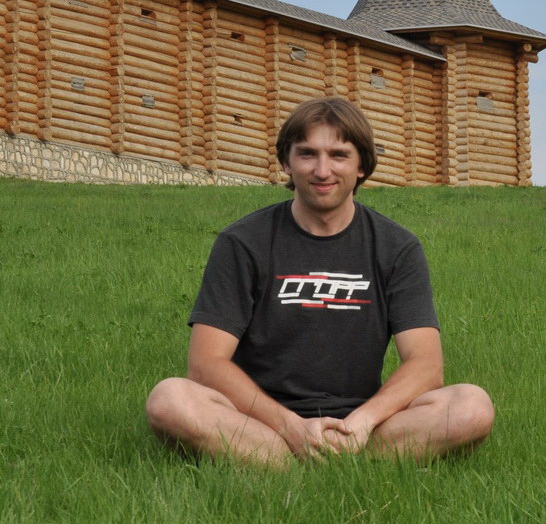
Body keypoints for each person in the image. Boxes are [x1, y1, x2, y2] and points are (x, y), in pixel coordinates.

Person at [146, 97, 494, 467]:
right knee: (170, 400)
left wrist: (363, 422)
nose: (322, 170)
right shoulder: (242, 242)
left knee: (471, 406)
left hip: (361, 424)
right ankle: (306, 461)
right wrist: (290, 426)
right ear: (287, 161)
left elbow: (426, 364)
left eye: (339, 155)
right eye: (307, 154)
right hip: (262, 422)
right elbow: (206, 364)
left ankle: (323, 458)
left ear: (361, 165)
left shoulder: (397, 247)